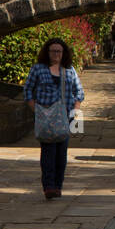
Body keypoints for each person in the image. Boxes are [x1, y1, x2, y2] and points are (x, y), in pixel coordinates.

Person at [24, 38, 85, 199]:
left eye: (59, 51)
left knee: (61, 154)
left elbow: (79, 93)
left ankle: (58, 186)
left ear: (63, 53)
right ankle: (49, 186)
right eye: (53, 51)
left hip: (65, 116)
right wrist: (35, 110)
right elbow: (28, 90)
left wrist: (75, 112)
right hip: (46, 116)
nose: (56, 54)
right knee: (48, 152)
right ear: (47, 52)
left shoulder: (69, 70)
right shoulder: (38, 69)